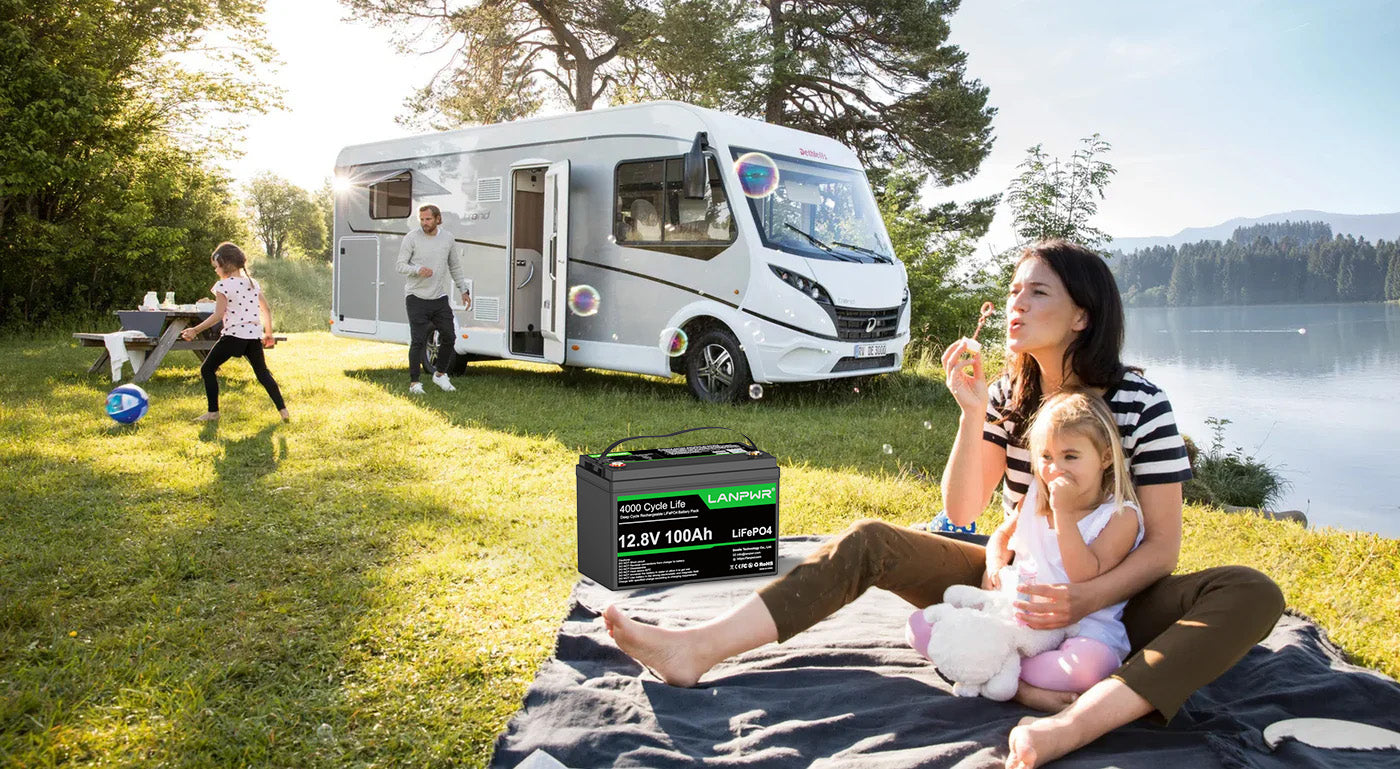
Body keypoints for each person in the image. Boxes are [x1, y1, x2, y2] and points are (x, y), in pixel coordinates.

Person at [603, 240, 1285, 769]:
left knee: (1251, 591)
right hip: (1016, 589)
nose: (1015, 304)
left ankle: (1071, 720)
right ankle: (696, 648)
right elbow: (962, 505)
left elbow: (1163, 545)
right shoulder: (1007, 398)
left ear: (1083, 314)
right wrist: (968, 412)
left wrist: (1083, 600)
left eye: (1036, 292)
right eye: (1013, 290)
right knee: (871, 538)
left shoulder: (1140, 402)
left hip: (1116, 600)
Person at [984, 390, 1143, 695]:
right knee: (930, 628)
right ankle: (1011, 676)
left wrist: (1064, 513)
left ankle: (1006, 677)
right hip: (1022, 618)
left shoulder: (1120, 516)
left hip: (1083, 629)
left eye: (1070, 456)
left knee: (1086, 670)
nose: (1055, 469)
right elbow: (1002, 536)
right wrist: (994, 563)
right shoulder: (1034, 497)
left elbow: (1083, 575)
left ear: (1106, 457)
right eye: (1046, 457)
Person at [180, 242, 289, 422]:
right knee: (263, 374)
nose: (215, 271)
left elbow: (217, 315)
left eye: (216, 267)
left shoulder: (223, 286)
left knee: (207, 369)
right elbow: (266, 309)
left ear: (225, 264)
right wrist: (268, 333)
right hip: (253, 337)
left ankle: (213, 413)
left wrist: (194, 330)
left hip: (233, 337)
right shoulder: (253, 283)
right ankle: (283, 411)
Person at [397, 204, 471, 394]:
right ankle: (415, 383)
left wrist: (464, 289)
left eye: (428, 219)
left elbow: (454, 266)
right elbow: (400, 265)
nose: (424, 223)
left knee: (450, 336)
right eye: (421, 219)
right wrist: (417, 270)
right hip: (416, 297)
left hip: (438, 297)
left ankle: (440, 375)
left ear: (438, 219)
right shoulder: (412, 238)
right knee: (418, 341)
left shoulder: (447, 238)